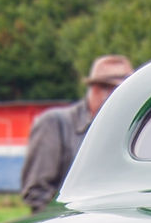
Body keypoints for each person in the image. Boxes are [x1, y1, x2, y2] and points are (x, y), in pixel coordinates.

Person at [19, 54, 134, 212]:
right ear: (96, 89)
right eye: (117, 91)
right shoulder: (55, 123)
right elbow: (37, 191)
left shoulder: (130, 132)